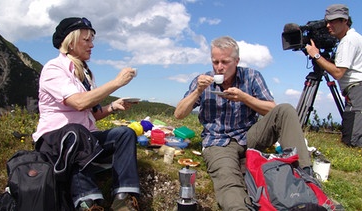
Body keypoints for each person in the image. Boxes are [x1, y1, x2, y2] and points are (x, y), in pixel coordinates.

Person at [174, 36, 312, 210]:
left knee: (286, 109)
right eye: (215, 62)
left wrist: (244, 98)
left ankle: (305, 173)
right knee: (227, 177)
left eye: (225, 62)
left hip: (250, 136)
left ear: (236, 61)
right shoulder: (202, 81)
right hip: (218, 141)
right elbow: (179, 114)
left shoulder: (251, 76)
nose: (219, 67)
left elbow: (272, 110)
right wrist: (198, 91)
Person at [32, 17, 140, 211]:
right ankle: (88, 202)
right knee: (76, 133)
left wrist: (113, 107)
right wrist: (117, 83)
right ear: (70, 42)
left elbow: (91, 115)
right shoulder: (54, 68)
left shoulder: (85, 73)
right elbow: (79, 103)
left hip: (82, 138)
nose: (92, 45)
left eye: (92, 40)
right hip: (54, 141)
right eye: (86, 40)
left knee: (125, 133)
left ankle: (123, 198)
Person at [305, 4, 362, 147]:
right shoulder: (351, 38)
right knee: (351, 136)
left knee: (353, 142)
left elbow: (337, 73)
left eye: (333, 21)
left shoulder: (348, 41)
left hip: (357, 91)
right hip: (355, 92)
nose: (329, 25)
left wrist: (316, 55)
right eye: (327, 22)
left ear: (345, 21)